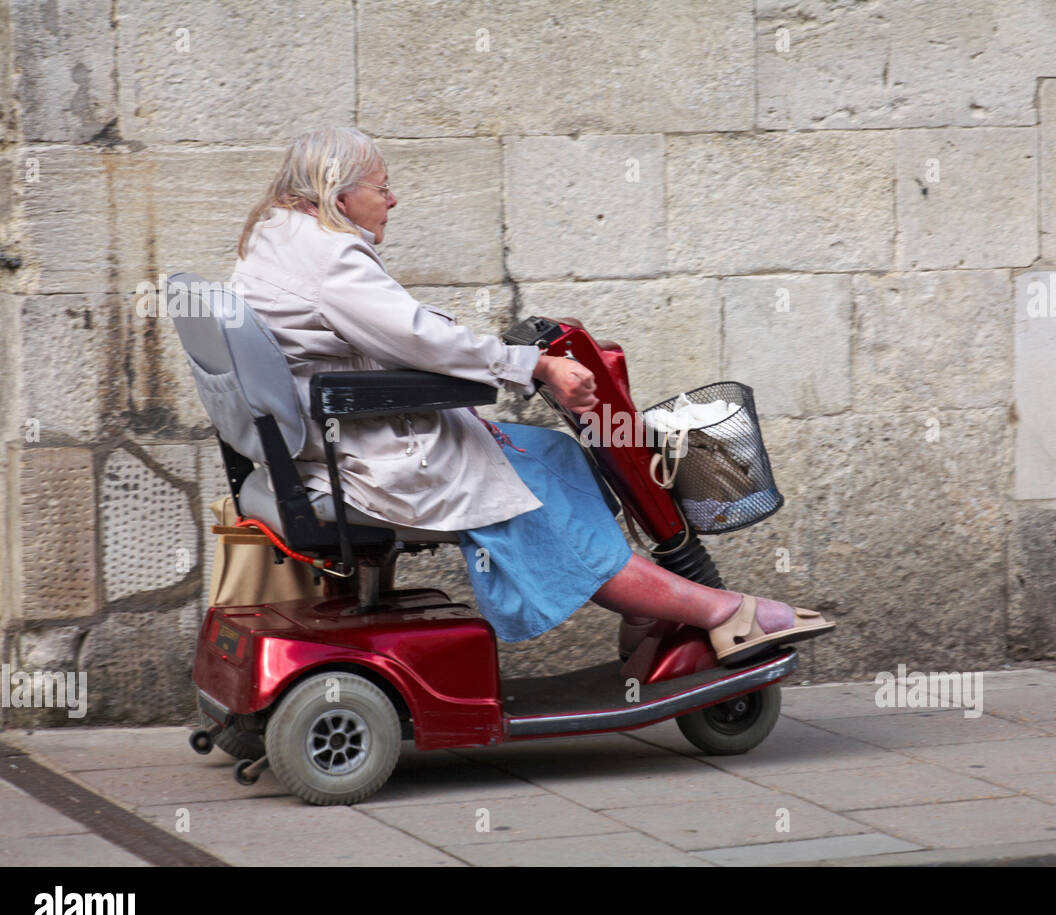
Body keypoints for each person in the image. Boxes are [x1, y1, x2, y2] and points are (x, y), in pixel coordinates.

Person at [230, 127, 833, 665]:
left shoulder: (279, 234)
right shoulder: (330, 256)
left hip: (336, 440)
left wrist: (502, 367)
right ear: (339, 198)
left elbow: (390, 334)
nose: (393, 200)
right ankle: (718, 612)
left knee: (557, 455)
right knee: (545, 507)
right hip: (372, 456)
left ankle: (647, 608)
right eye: (382, 188)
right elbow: (415, 338)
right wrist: (533, 364)